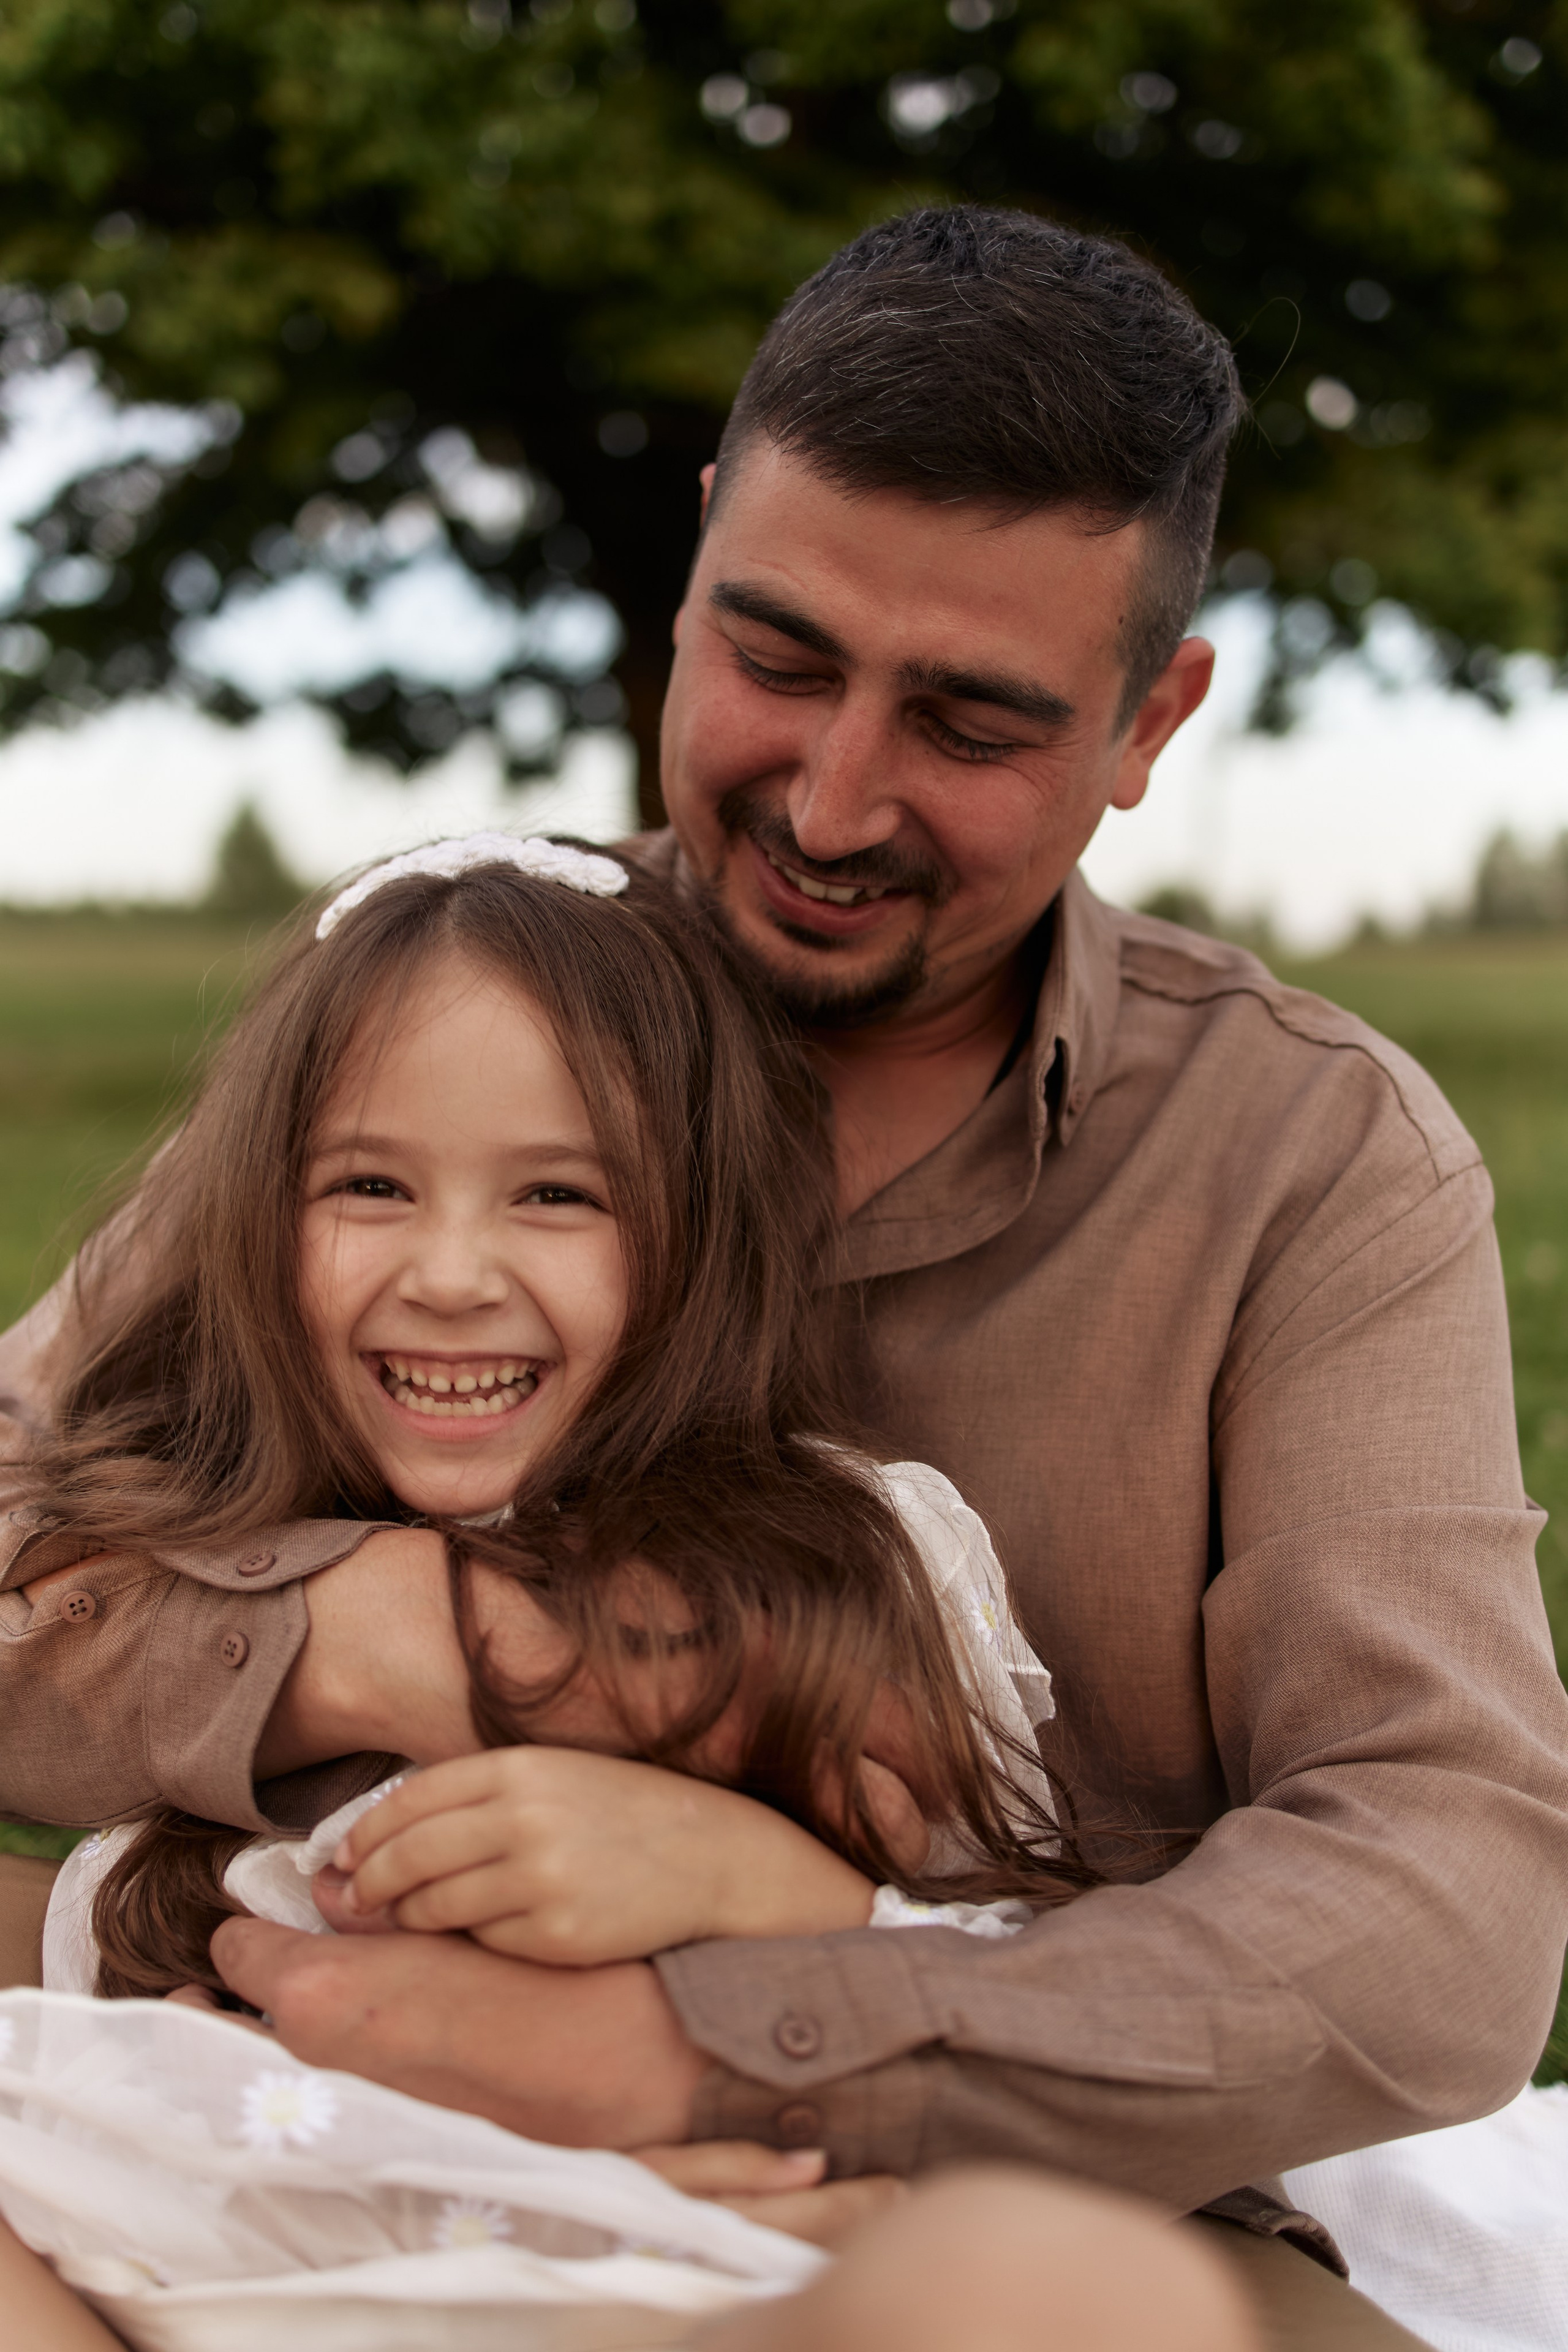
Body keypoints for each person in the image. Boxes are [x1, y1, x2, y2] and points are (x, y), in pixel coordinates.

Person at [3, 204, 1567, 2348]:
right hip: (302, 2137)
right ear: (703, 549)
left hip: (955, 2210)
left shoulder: (1312, 1162)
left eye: (975, 722)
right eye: (781, 657)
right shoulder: (440, 1028)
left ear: (1152, 717)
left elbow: (1446, 1897)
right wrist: (375, 1646)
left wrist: (752, 2016)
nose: (834, 799)